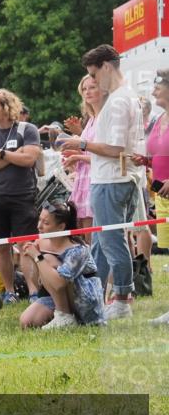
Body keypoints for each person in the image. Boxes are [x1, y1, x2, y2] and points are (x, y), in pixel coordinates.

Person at [63, 45, 146, 319]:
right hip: (112, 178)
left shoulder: (119, 101)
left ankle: (122, 298)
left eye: (94, 75)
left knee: (111, 240)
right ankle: (96, 298)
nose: (93, 82)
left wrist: (81, 143)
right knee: (101, 241)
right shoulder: (124, 97)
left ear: (107, 67)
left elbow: (115, 148)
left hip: (113, 179)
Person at [0, 89, 42, 303]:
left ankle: (33, 291)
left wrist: (3, 154)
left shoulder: (27, 129)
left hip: (23, 196)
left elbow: (30, 160)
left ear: (6, 107)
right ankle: (10, 292)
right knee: (2, 247)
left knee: (26, 246)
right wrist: (17, 154)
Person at [18, 201, 106, 330]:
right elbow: (37, 284)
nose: (39, 226)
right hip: (55, 296)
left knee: (47, 259)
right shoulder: (42, 243)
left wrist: (38, 257)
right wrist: (33, 259)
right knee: (27, 322)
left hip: (85, 301)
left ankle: (65, 316)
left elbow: (59, 283)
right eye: (40, 220)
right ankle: (62, 315)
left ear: (61, 227)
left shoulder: (79, 249)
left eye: (46, 223)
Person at [142, 70, 169, 324]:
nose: (153, 92)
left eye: (157, 87)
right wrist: (145, 161)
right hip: (161, 194)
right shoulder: (161, 119)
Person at [64, 74, 104, 239]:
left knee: (94, 238)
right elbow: (91, 150)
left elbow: (105, 156)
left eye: (92, 87)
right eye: (84, 89)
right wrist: (76, 152)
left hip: (96, 180)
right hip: (84, 180)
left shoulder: (103, 117)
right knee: (86, 237)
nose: (87, 92)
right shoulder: (92, 119)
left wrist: (78, 156)